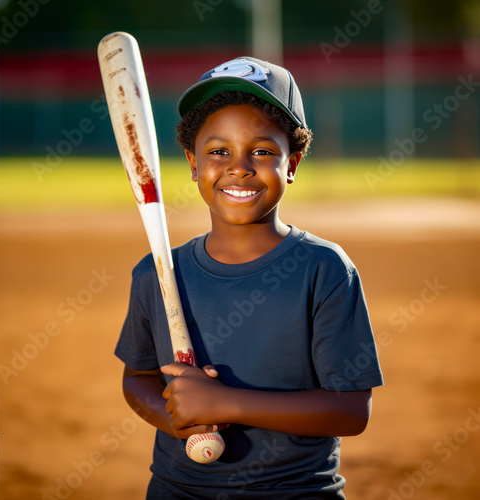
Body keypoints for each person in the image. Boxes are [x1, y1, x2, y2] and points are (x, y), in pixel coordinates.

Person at [115, 56, 384, 499]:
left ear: (292, 163)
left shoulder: (324, 269)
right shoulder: (158, 272)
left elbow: (351, 411)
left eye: (261, 150)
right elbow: (138, 377)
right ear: (193, 162)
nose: (238, 166)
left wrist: (228, 404)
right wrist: (176, 419)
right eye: (218, 151)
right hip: (177, 490)